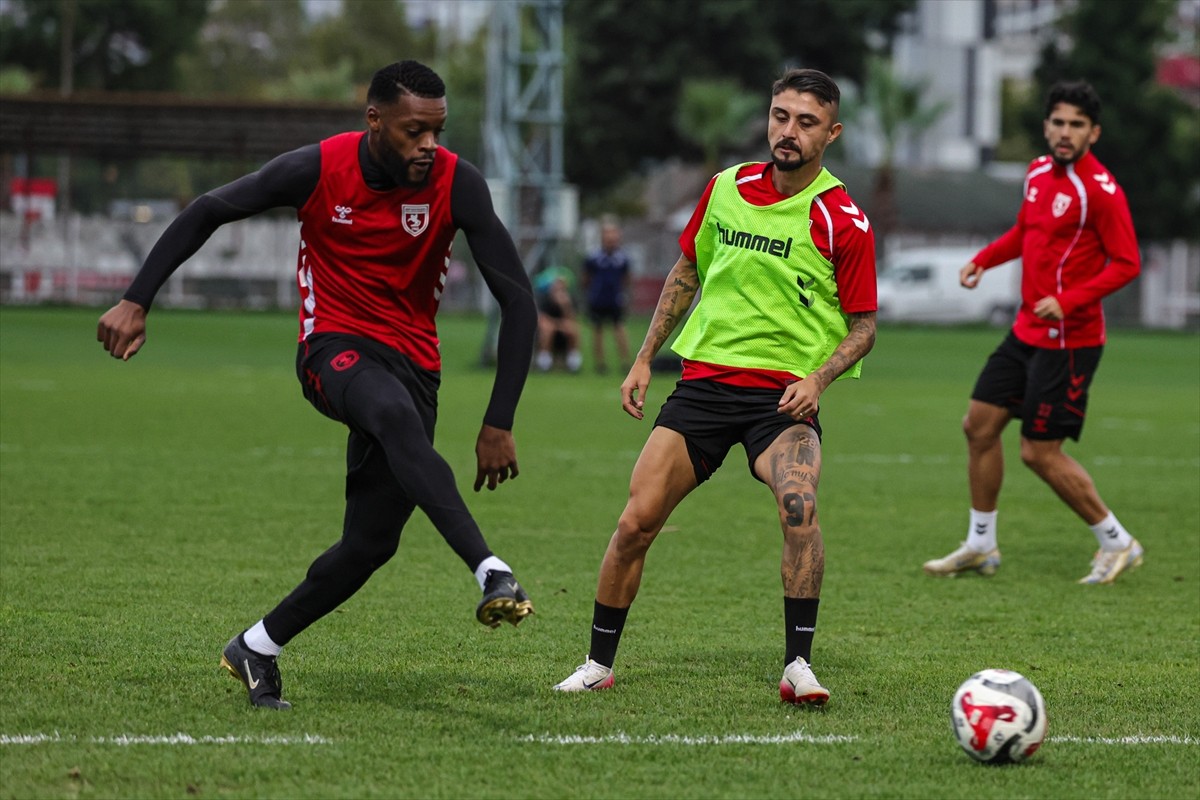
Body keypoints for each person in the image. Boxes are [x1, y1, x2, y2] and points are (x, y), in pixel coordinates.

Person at [96, 61, 539, 710]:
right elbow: (210, 209)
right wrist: (137, 299)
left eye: (437, 132)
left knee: (369, 545)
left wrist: (498, 420)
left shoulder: (457, 184)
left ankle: (257, 646)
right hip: (331, 347)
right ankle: (490, 570)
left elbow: (519, 301)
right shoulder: (317, 169)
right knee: (391, 415)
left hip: (414, 365)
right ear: (375, 120)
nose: (428, 146)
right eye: (414, 131)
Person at [552, 68, 877, 705]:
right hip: (702, 387)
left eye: (807, 122)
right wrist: (644, 358)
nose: (789, 131)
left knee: (799, 506)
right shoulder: (723, 189)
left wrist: (819, 378)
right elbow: (685, 273)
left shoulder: (843, 219)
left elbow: (865, 326)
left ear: (831, 133)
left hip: (782, 399)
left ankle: (798, 666)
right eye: (781, 115)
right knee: (634, 523)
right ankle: (597, 663)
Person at [923, 80, 1142, 585]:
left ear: (1094, 133)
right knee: (978, 426)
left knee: (1039, 452)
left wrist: (1067, 301)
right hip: (1025, 332)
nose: (1065, 133)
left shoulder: (1101, 192)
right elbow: (1027, 231)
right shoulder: (1039, 171)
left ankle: (1118, 542)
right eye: (1058, 123)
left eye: (1076, 125)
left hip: (1071, 342)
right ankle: (981, 544)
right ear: (1047, 127)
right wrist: (983, 258)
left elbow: (1127, 263)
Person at [582, 216, 632, 373]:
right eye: (608, 235)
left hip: (615, 299)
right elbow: (586, 278)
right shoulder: (593, 258)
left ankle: (625, 362)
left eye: (614, 235)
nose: (611, 238)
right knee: (597, 330)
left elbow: (626, 279)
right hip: (598, 299)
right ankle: (600, 363)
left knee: (620, 329)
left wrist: (624, 295)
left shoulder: (622, 259)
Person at [534, 269, 583, 372]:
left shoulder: (569, 299)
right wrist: (557, 324)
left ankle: (573, 363)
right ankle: (544, 363)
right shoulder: (545, 299)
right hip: (549, 327)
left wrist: (565, 305)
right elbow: (542, 319)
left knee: (572, 329)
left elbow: (572, 319)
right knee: (547, 329)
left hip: (562, 328)